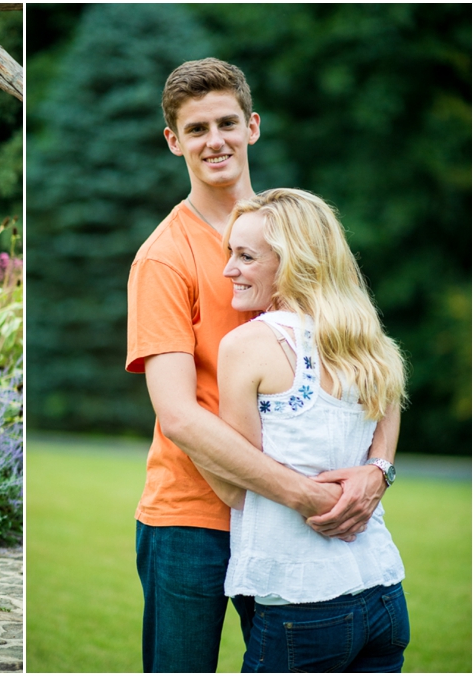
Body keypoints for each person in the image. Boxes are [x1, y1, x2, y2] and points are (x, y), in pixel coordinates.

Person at [126, 58, 400, 672]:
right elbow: (178, 415)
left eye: (226, 122)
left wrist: (377, 469)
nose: (215, 140)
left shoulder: (300, 231)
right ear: (174, 141)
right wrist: (303, 495)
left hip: (294, 524)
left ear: (252, 126)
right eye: (196, 130)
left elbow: (372, 358)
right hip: (191, 518)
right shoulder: (163, 257)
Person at [212, 188, 409, 672]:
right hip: (384, 593)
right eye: (229, 253)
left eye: (246, 256)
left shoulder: (247, 345)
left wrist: (183, 424)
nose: (228, 269)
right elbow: (390, 410)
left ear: (293, 261)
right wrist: (379, 469)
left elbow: (236, 489)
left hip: (302, 604)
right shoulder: (365, 339)